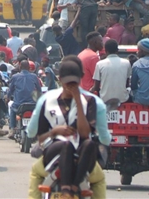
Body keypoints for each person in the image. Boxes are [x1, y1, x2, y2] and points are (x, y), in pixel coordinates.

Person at [31, 58, 101, 199]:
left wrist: (78, 102)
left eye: (74, 83)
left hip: (81, 150)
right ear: (60, 80)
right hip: (55, 149)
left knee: (90, 145)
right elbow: (41, 138)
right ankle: (66, 191)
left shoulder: (89, 101)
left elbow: (85, 133)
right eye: (67, 82)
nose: (70, 86)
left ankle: (74, 186)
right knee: (66, 145)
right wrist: (55, 131)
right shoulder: (48, 101)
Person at [92, 39, 131, 110]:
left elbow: (96, 87)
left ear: (106, 51)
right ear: (117, 50)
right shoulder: (126, 63)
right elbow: (127, 84)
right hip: (123, 99)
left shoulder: (99, 64)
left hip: (105, 100)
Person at [8, 57, 41, 138]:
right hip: (32, 104)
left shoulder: (15, 77)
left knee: (12, 109)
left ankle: (12, 129)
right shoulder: (34, 77)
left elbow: (10, 90)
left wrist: (7, 98)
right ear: (29, 68)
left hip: (18, 105)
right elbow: (39, 90)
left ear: (20, 66)